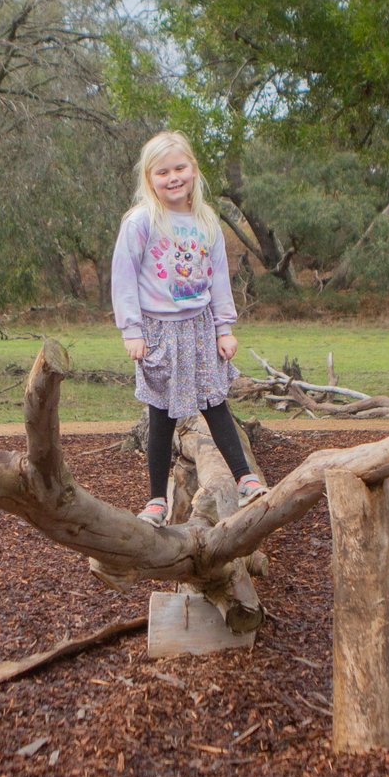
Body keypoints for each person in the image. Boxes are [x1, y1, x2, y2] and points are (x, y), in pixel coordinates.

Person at [111, 130, 268, 523]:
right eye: (163, 172)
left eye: (180, 168)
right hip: (159, 332)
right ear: (150, 179)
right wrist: (132, 331)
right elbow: (124, 278)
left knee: (215, 403)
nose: (173, 177)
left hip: (199, 327)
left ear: (194, 171)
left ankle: (245, 479)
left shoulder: (205, 220)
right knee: (161, 414)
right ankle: (155, 500)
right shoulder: (142, 221)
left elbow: (218, 279)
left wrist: (224, 327)